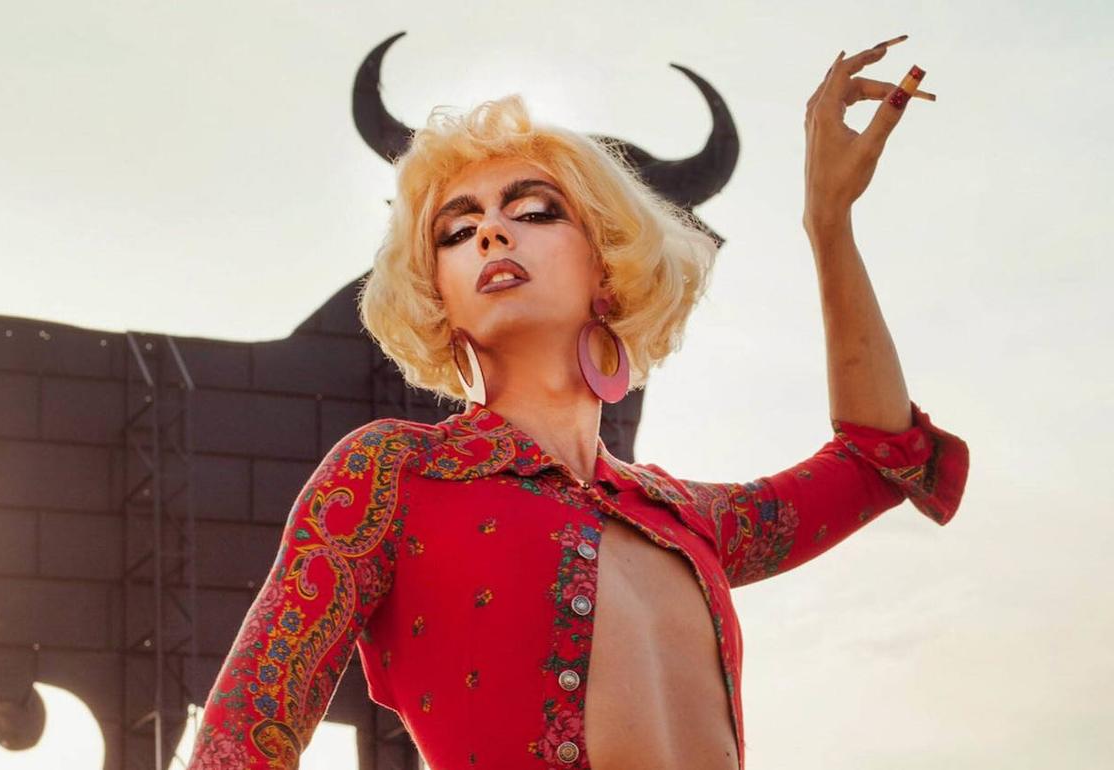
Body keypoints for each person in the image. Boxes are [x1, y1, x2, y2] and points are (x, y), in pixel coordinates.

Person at [188, 35, 965, 770]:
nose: (492, 233)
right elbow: (240, 742)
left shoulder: (690, 519)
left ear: (607, 269)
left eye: (533, 212)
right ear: (440, 299)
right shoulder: (390, 475)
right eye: (457, 231)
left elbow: (880, 457)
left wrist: (828, 222)